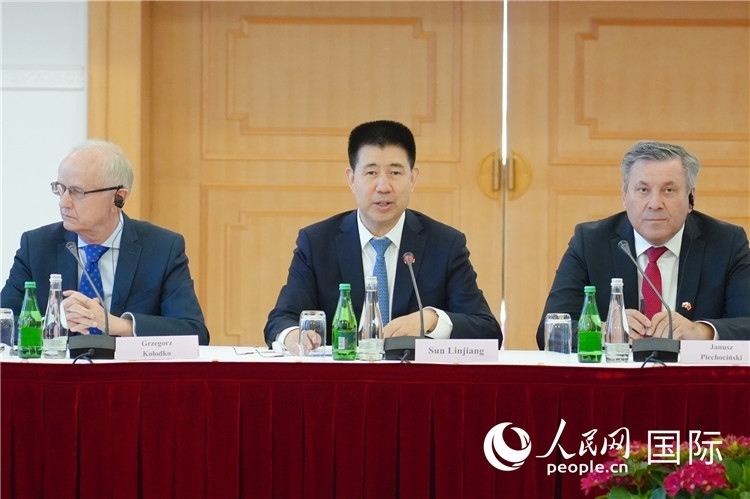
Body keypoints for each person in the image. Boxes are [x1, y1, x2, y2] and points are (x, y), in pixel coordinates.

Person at [265, 120, 502, 350]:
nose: (383, 186)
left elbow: (488, 331)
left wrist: (432, 320)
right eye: (371, 173)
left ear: (413, 178)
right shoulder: (317, 243)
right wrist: (294, 336)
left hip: (415, 376)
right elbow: (282, 319)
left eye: (395, 172)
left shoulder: (445, 245)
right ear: (352, 179)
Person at [536, 140, 750, 349]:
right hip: (616, 372)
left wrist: (702, 332)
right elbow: (550, 331)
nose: (655, 204)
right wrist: (605, 331)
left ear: (690, 198)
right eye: (643, 190)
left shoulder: (727, 243)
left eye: (668, 190)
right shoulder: (590, 242)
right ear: (624, 196)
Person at [1, 139, 210, 345]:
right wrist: (53, 323)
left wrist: (119, 325)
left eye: (77, 192)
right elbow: (4, 323)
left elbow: (194, 333)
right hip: (59, 367)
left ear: (118, 198)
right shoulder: (37, 246)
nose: (63, 202)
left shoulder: (162, 248)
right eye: (60, 189)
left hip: (129, 368)